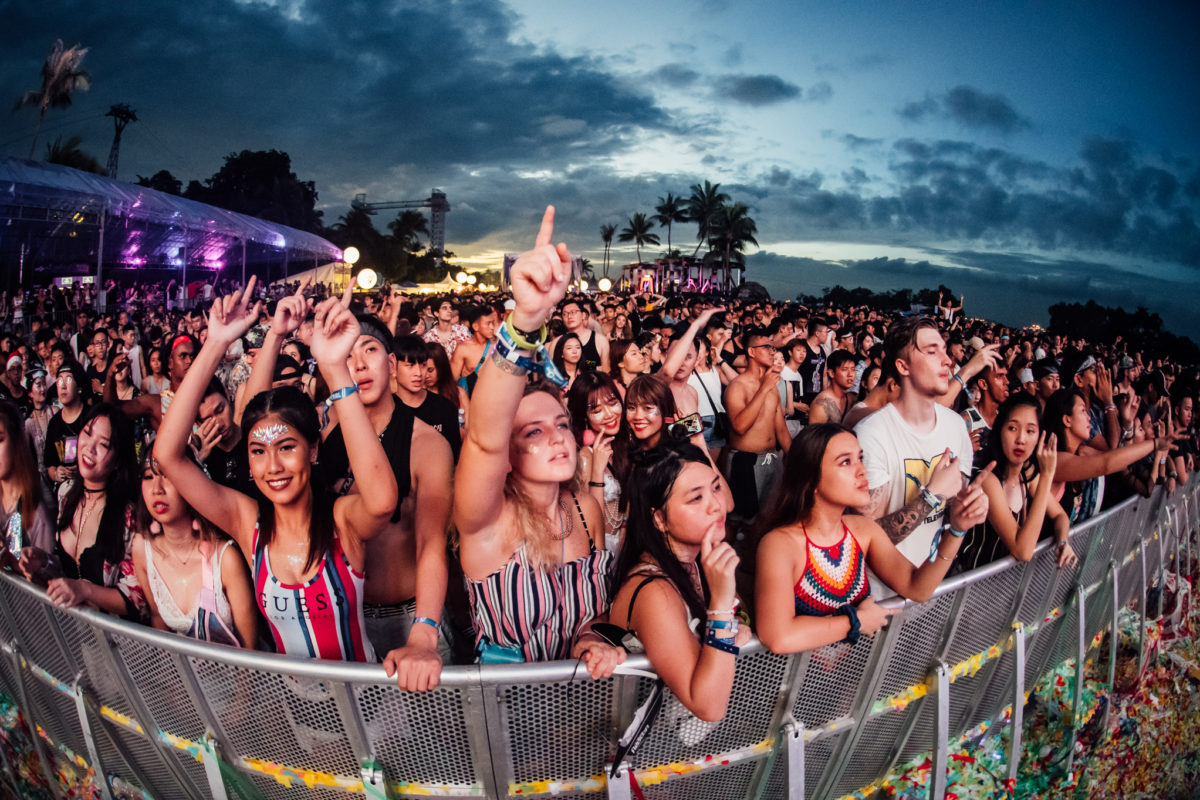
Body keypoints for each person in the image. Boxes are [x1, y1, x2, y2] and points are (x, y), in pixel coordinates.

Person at [154, 279, 398, 662]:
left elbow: (383, 502)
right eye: (258, 451)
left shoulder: (340, 521)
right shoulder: (248, 524)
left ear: (313, 449)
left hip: (364, 712)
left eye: (286, 448)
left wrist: (336, 371)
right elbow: (168, 455)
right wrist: (215, 343)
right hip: (293, 714)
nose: (273, 467)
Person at [453, 207, 623, 676]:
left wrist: (591, 636)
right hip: (508, 714)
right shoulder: (487, 521)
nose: (557, 437)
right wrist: (524, 323)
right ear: (507, 454)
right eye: (533, 431)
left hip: (581, 703)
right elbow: (484, 439)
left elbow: (593, 611)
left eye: (562, 424)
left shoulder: (585, 511)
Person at [755, 425, 981, 654]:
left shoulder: (862, 530)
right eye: (845, 462)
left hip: (850, 681)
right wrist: (855, 622)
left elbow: (917, 587)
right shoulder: (779, 545)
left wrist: (957, 530)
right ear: (811, 479)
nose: (862, 470)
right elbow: (778, 636)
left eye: (860, 458)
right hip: (789, 686)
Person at [608, 441, 751, 721]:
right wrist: (721, 607)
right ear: (660, 519)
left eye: (716, 487)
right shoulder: (654, 592)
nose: (715, 505)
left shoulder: (700, 562)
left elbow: (740, 611)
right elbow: (708, 707)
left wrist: (740, 622)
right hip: (656, 754)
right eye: (696, 498)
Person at [854, 317, 981, 567]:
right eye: (932, 351)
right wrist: (930, 495)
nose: (947, 360)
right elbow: (864, 536)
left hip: (935, 581)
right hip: (883, 596)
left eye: (944, 350)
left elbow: (952, 508)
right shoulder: (871, 435)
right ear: (903, 366)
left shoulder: (955, 426)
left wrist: (969, 505)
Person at [22, 404, 149, 622]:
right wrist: (42, 562)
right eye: (87, 434)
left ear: (118, 461)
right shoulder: (65, 494)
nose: (89, 448)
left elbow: (139, 599)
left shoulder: (127, 516)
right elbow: (67, 575)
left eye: (103, 445)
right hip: (76, 636)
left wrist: (85, 590)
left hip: (118, 645)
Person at [130, 452, 256, 645]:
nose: (157, 489)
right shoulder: (142, 548)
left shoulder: (225, 558)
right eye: (148, 477)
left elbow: (250, 650)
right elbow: (159, 622)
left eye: (168, 477)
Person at [960, 394, 1075, 571]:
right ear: (999, 430)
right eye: (1012, 428)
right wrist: (1046, 476)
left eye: (1030, 431)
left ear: (1039, 437)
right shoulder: (988, 480)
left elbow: (1060, 516)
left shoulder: (1027, 474)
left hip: (1000, 585)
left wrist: (1062, 541)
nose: (1021, 439)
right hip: (969, 585)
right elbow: (1023, 551)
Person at [1043, 388, 1175, 524]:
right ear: (1067, 420)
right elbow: (1106, 464)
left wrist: (1128, 425)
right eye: (1083, 411)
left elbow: (1119, 464)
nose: (1089, 417)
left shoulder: (1082, 451)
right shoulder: (1055, 460)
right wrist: (1155, 443)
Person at [723, 328, 791, 521]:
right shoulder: (737, 386)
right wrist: (764, 388)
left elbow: (781, 431)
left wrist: (795, 461)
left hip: (772, 459)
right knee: (741, 523)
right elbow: (739, 426)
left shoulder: (771, 386)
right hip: (746, 462)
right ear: (751, 352)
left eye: (773, 347)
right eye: (767, 347)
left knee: (770, 518)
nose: (773, 351)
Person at [568, 371, 626, 554]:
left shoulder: (626, 444)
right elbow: (592, 524)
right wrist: (597, 469)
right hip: (604, 550)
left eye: (613, 403)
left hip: (630, 546)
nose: (609, 414)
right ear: (585, 416)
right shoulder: (584, 457)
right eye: (597, 411)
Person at [0, 402, 54, 567]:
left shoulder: (36, 516)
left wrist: (10, 559)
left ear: (17, 441)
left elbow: (46, 586)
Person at [394, 335, 462, 458]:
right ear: (393, 366)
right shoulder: (387, 410)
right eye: (410, 365)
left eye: (423, 365)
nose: (418, 373)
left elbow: (455, 457)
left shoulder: (445, 408)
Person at [450, 303, 499, 398]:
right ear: (475, 326)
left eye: (493, 323)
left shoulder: (496, 346)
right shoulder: (463, 349)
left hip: (493, 399)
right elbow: (453, 380)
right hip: (471, 401)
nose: (492, 327)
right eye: (488, 323)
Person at [553, 298, 609, 373]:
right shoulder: (557, 343)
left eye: (573, 312)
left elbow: (606, 373)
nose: (569, 316)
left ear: (583, 315)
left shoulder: (600, 341)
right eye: (565, 314)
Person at [808, 350, 857, 425]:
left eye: (853, 369)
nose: (850, 374)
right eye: (845, 369)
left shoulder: (852, 399)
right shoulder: (820, 405)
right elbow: (813, 436)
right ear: (831, 373)